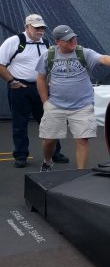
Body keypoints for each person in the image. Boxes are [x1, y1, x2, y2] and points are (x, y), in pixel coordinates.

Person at [36, 24, 110, 171]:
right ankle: (47, 162)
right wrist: (45, 102)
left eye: (73, 37)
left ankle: (79, 174)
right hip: (55, 105)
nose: (73, 41)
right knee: (49, 140)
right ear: (57, 42)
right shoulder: (48, 55)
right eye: (68, 40)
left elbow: (103, 58)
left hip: (82, 106)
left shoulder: (83, 53)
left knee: (82, 140)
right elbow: (40, 79)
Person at [0, 14, 69, 168]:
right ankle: (21, 155)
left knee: (49, 121)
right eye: (37, 28)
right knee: (20, 123)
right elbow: (0, 64)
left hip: (40, 87)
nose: (40, 31)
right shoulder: (14, 42)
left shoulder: (46, 42)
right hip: (20, 89)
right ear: (27, 27)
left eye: (42, 28)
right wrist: (12, 81)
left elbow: (50, 64)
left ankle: (54, 153)